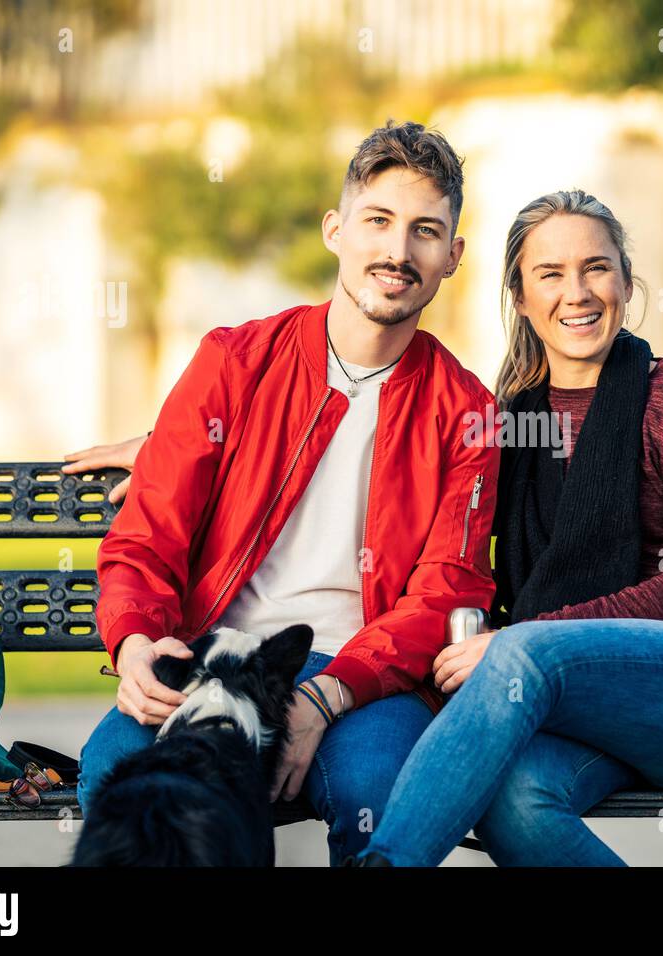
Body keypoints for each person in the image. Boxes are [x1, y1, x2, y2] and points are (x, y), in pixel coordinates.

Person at [68, 120, 500, 867]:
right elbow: (147, 535)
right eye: (378, 222)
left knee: (379, 793)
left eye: (425, 232)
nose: (398, 252)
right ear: (336, 230)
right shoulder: (234, 362)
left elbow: (444, 593)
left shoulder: (467, 412)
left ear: (452, 257)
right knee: (118, 777)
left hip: (361, 677)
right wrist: (136, 641)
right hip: (217, 659)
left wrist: (323, 698)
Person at [346, 189, 663, 866]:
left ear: (627, 284)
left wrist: (532, 638)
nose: (576, 293)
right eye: (550, 274)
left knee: (520, 649)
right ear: (520, 297)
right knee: (512, 800)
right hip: (574, 710)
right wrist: (180, 442)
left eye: (596, 269)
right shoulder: (505, 424)